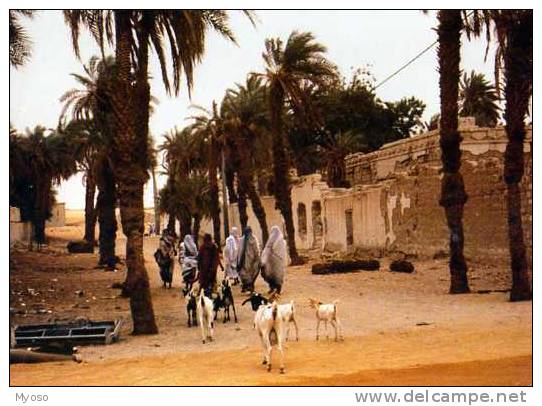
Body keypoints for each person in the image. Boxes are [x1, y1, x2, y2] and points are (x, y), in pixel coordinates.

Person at [261, 225, 287, 294]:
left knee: (278, 275)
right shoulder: (271, 240)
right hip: (271, 262)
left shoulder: (281, 241)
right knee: (270, 275)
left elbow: (282, 251)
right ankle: (272, 287)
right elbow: (267, 249)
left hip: (278, 261)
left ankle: (278, 289)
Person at [236, 226, 261, 293]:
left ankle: (249, 286)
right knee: (246, 274)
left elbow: (257, 250)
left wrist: (257, 258)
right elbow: (239, 251)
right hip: (245, 261)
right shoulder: (243, 240)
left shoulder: (253, 239)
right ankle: (248, 286)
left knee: (251, 274)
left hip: (251, 261)